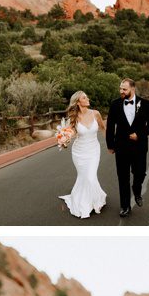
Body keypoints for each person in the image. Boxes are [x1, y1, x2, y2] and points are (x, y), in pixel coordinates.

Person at [105, 78, 149, 218]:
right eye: (120, 89)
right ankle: (125, 206)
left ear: (133, 89)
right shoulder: (115, 104)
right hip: (121, 146)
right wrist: (110, 145)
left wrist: (140, 134)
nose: (121, 91)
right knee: (122, 177)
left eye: (124, 89)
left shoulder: (145, 104)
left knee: (139, 173)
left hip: (139, 146)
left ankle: (137, 189)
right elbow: (110, 126)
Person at [57, 91, 107, 219]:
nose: (88, 98)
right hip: (79, 152)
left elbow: (102, 128)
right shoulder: (73, 118)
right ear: (78, 102)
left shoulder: (95, 113)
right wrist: (64, 140)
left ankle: (94, 200)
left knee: (90, 176)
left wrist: (110, 144)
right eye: (84, 98)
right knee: (84, 176)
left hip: (94, 150)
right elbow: (70, 133)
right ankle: (86, 201)